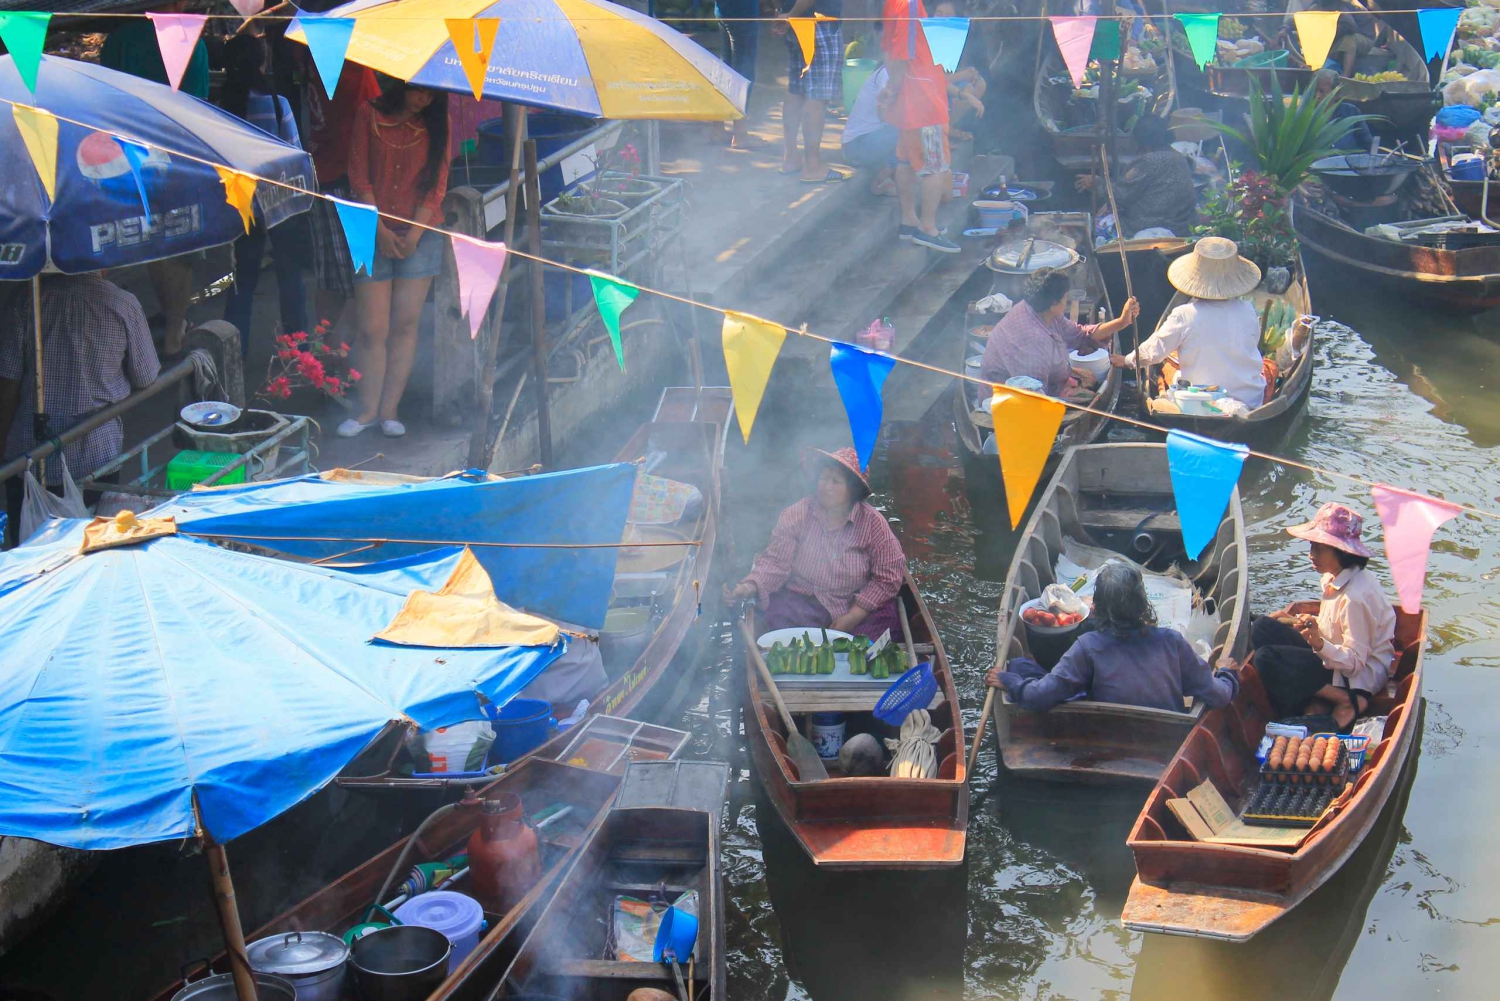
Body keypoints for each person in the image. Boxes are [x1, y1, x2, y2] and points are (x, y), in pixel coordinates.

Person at [0, 274, 161, 543]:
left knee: (26, 551)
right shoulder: (122, 304)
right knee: (95, 546)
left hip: (29, 454)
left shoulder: (25, 300)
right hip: (95, 455)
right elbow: (145, 376)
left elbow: (8, 383)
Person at [339, 82, 450, 440]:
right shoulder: (369, 114)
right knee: (372, 329)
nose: (424, 100)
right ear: (402, 86)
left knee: (405, 324)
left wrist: (413, 235)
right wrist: (380, 231)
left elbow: (437, 187)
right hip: (370, 230)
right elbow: (359, 176)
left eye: (431, 95)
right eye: (419, 92)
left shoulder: (438, 123)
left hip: (422, 232)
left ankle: (390, 410)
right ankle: (367, 410)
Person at [100, 0, 209, 358]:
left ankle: (100, 338)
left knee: (123, 239)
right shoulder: (190, 40)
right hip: (178, 155)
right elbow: (199, 107)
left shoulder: (119, 41)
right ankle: (174, 331)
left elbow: (106, 103)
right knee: (175, 244)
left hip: (125, 157)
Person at [985, 562, 1240, 714]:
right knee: (1024, 669)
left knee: (1018, 667)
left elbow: (1040, 696)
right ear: (1142, 603)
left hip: (1106, 735)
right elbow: (1218, 695)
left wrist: (1010, 681)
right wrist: (1227, 673)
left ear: (1097, 606)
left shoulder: (1088, 646)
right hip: (1166, 741)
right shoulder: (1171, 641)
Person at [723, 447, 908, 640]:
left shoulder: (872, 523)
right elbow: (775, 564)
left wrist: (853, 616)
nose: (826, 486)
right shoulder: (796, 515)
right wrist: (747, 587)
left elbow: (888, 576)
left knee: (885, 623)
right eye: (823, 478)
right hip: (803, 604)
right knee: (778, 620)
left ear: (852, 490)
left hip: (854, 604)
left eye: (835, 481)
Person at [1252, 503, 1396, 730]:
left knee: (1265, 658)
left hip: (1354, 679)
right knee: (1262, 627)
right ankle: (1318, 698)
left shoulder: (1355, 598)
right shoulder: (1336, 578)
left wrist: (1319, 643)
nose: (1312, 555)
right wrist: (1311, 624)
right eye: (1312, 546)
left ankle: (1344, 700)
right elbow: (1337, 628)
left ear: (1342, 552)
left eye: (1319, 549)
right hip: (1334, 657)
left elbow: (1354, 664)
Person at [218, 32, 308, 357]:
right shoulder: (276, 103)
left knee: (243, 279)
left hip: (242, 204)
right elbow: (294, 152)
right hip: (280, 202)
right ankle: (298, 347)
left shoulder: (221, 108)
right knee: (290, 276)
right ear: (261, 62)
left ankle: (235, 350)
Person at [1109, 237, 1269, 409]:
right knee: (1269, 367)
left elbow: (1153, 352)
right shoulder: (1248, 309)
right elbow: (1252, 343)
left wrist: (1126, 360)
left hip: (1200, 401)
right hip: (1250, 399)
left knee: (1169, 370)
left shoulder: (1184, 314)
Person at [305, 58, 384, 344]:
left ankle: (323, 364)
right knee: (361, 279)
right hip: (349, 182)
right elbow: (375, 120)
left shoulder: (313, 55)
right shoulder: (354, 69)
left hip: (323, 174)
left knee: (330, 280)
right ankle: (339, 359)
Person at [980, 268, 1140, 396]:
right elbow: (1034, 394)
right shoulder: (1031, 339)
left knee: (1090, 378)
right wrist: (1071, 394)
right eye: (1065, 299)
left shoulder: (1045, 312)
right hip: (1012, 403)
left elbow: (1081, 336)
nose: (1067, 303)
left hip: (1048, 383)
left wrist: (1122, 321)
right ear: (1053, 304)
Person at [881, 0, 958, 252]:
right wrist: (892, 87)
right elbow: (902, 52)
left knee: (904, 160)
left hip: (909, 97)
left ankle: (908, 220)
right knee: (934, 166)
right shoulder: (910, 5)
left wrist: (893, 88)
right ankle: (927, 228)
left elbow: (888, 48)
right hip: (924, 98)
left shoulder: (893, 3)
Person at [1075, 116, 1196, 238]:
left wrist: (1098, 183)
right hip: (1181, 227)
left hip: (1150, 226)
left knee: (1094, 228)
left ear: (1141, 139)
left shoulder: (1149, 161)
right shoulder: (1179, 158)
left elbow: (1120, 196)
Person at [779, 0, 845, 183]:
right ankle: (812, 167)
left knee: (796, 90)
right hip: (820, 24)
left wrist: (785, 13)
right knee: (818, 96)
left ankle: (791, 158)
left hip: (796, 22)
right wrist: (791, 13)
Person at [840, 64, 899, 195]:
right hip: (856, 146)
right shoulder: (887, 73)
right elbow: (884, 116)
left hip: (871, 140)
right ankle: (881, 179)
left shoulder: (901, 73)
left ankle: (890, 174)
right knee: (909, 129)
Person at [717, 0, 762, 149]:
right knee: (743, 70)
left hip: (724, 8)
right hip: (743, 9)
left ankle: (717, 128)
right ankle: (740, 133)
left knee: (726, 67)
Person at [1313, 68, 1376, 151]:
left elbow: (1368, 146)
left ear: (1336, 94)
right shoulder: (1304, 116)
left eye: (1322, 91)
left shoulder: (1351, 112)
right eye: (1314, 90)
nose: (1317, 96)